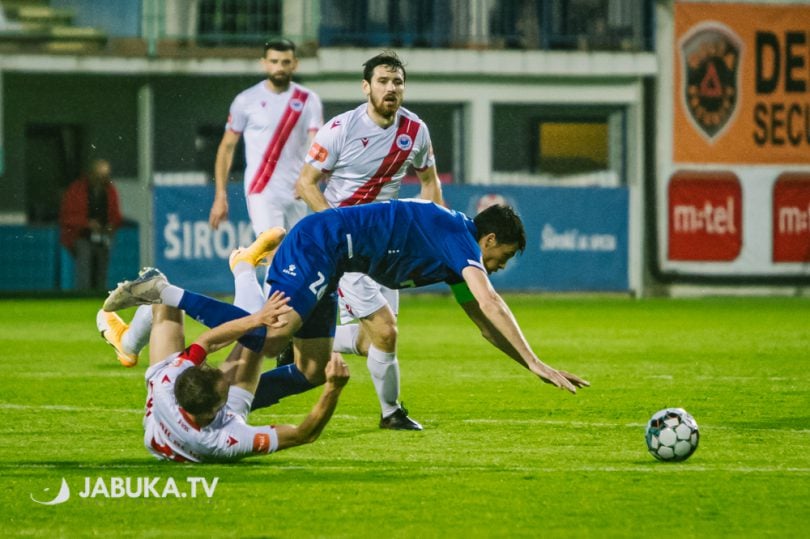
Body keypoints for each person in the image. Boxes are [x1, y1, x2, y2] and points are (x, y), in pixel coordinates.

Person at [103, 201, 589, 428]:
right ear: (488, 241)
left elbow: (484, 322)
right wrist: (539, 362)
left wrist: (528, 365)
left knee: (312, 370)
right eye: (502, 257)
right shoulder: (459, 239)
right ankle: (163, 290)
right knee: (274, 333)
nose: (499, 267)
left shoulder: (456, 255)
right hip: (322, 242)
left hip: (336, 264)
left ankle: (226, 404)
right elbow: (492, 303)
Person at [97, 231, 351, 463]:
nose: (226, 380)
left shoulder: (169, 380)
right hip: (189, 433)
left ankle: (128, 344)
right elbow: (302, 435)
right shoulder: (225, 440)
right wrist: (333, 389)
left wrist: (257, 318)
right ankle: (243, 265)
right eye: (224, 391)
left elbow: (207, 342)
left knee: (165, 301)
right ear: (213, 411)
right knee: (257, 337)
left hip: (164, 412)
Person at [295, 51, 443, 430]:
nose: (391, 88)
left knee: (370, 342)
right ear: (366, 87)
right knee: (386, 330)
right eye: (383, 81)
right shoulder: (340, 128)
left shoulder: (415, 130)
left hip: (387, 247)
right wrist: (336, 228)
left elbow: (430, 183)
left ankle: (298, 339)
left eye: (397, 82)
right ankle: (391, 413)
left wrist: (434, 233)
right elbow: (305, 183)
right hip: (347, 251)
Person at [208, 38, 323, 243]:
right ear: (264, 63)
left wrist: (309, 178)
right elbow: (227, 147)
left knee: (296, 255)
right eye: (274, 61)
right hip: (261, 188)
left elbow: (317, 143)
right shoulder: (246, 100)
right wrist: (220, 195)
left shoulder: (308, 99)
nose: (279, 67)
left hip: (298, 189)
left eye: (285, 62)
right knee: (271, 250)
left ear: (294, 64)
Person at [59, 158, 123, 291]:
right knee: (84, 272)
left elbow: (115, 214)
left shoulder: (110, 190)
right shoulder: (77, 189)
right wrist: (87, 223)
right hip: (82, 236)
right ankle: (83, 298)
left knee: (101, 273)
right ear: (91, 174)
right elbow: (67, 216)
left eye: (105, 176)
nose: (101, 179)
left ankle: (99, 300)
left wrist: (111, 226)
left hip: (103, 237)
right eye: (99, 176)